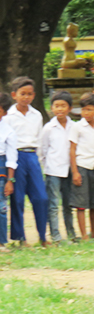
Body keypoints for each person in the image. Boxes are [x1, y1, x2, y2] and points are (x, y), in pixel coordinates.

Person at [4, 77, 49, 247]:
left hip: (32, 156)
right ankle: (20, 238)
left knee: (41, 198)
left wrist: (39, 160)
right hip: (16, 157)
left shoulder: (36, 115)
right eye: (23, 94)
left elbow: (39, 139)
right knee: (18, 198)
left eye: (30, 94)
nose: (26, 97)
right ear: (14, 95)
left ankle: (43, 236)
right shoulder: (8, 117)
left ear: (34, 95)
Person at [40, 91, 75, 244]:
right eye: (57, 106)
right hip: (53, 171)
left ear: (69, 108)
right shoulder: (48, 128)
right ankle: (55, 235)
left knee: (68, 204)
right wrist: (46, 168)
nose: (60, 109)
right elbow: (42, 150)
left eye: (63, 106)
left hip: (69, 170)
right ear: (52, 108)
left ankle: (71, 233)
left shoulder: (74, 126)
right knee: (53, 204)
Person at [68, 93, 94, 242]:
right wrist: (75, 172)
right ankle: (83, 234)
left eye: (89, 110)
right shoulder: (77, 127)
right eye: (84, 110)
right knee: (81, 203)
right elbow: (72, 149)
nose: (86, 113)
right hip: (82, 166)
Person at [0, 93, 17, 252]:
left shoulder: (8, 131)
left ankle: (1, 242)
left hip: (1, 168)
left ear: (4, 113)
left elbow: (11, 157)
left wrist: (10, 180)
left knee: (1, 206)